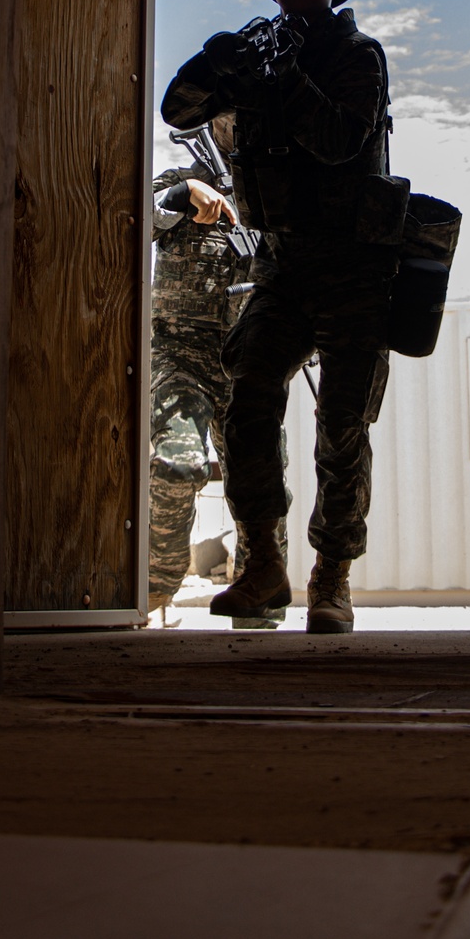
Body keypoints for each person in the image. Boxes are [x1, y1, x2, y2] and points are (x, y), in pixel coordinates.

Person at [162, 0, 403, 634]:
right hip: (285, 268)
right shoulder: (254, 57)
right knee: (250, 398)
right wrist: (217, 60)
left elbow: (336, 140)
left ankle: (332, 577)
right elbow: (179, 108)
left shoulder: (357, 54)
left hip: (355, 266)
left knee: (342, 426)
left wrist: (280, 74)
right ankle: (263, 566)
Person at [149, 117, 289, 629]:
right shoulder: (174, 181)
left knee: (260, 481)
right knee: (176, 463)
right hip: (179, 352)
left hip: (246, 356)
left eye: (245, 115)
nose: (238, 127)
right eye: (227, 119)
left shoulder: (275, 193)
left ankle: (260, 598)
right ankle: (155, 582)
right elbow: (132, 215)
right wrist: (185, 191)